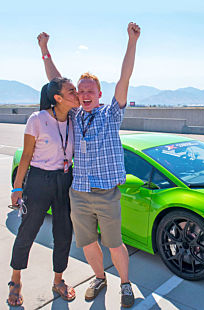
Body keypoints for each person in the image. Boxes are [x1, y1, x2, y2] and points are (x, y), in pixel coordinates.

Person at [37, 22, 140, 308]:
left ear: (99, 94)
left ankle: (125, 284)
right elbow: (56, 82)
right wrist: (45, 50)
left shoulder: (111, 115)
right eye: (80, 91)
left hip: (106, 193)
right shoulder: (74, 116)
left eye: (90, 90)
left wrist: (131, 42)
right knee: (87, 243)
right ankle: (99, 277)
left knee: (114, 243)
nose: (84, 94)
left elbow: (125, 78)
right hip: (78, 194)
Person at [8, 78, 80, 306]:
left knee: (63, 233)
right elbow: (26, 157)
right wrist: (17, 187)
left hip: (64, 181)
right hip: (39, 180)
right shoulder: (37, 119)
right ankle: (15, 280)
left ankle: (58, 280)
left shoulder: (73, 120)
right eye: (71, 91)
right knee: (27, 231)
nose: (76, 93)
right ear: (58, 98)